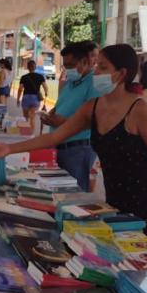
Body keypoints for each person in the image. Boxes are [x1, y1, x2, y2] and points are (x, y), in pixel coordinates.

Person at [0, 44, 147, 244]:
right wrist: (9, 149)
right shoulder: (93, 107)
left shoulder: (140, 110)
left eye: (103, 67)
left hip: (145, 199)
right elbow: (54, 137)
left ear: (121, 73)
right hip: (114, 197)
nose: (96, 72)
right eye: (97, 66)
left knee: (141, 251)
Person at [41, 42, 100, 191]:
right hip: (59, 146)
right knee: (59, 193)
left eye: (71, 65)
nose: (68, 69)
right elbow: (61, 105)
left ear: (84, 62)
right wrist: (51, 115)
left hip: (78, 149)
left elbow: (93, 119)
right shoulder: (70, 83)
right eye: (65, 66)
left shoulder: (94, 84)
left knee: (73, 194)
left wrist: (64, 123)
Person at [17, 60, 49, 133]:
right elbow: (45, 87)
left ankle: (25, 132)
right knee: (32, 117)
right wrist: (46, 93)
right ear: (35, 67)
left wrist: (18, 99)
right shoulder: (40, 76)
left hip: (26, 98)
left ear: (27, 67)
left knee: (26, 118)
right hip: (35, 99)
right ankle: (31, 133)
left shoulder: (24, 77)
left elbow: (20, 89)